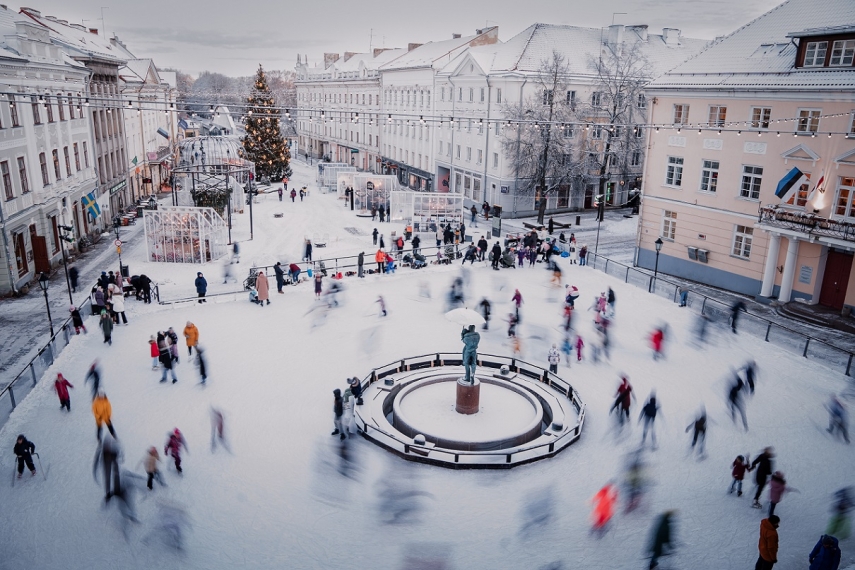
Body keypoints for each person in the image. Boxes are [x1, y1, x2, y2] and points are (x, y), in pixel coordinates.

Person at [93, 432, 122, 501]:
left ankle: (117, 489)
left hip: (113, 457)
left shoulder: (115, 447)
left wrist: (120, 457)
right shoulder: (103, 449)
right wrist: (95, 470)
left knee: (116, 473)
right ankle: (108, 492)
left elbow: (120, 451)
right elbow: (97, 458)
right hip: (106, 460)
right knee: (107, 475)